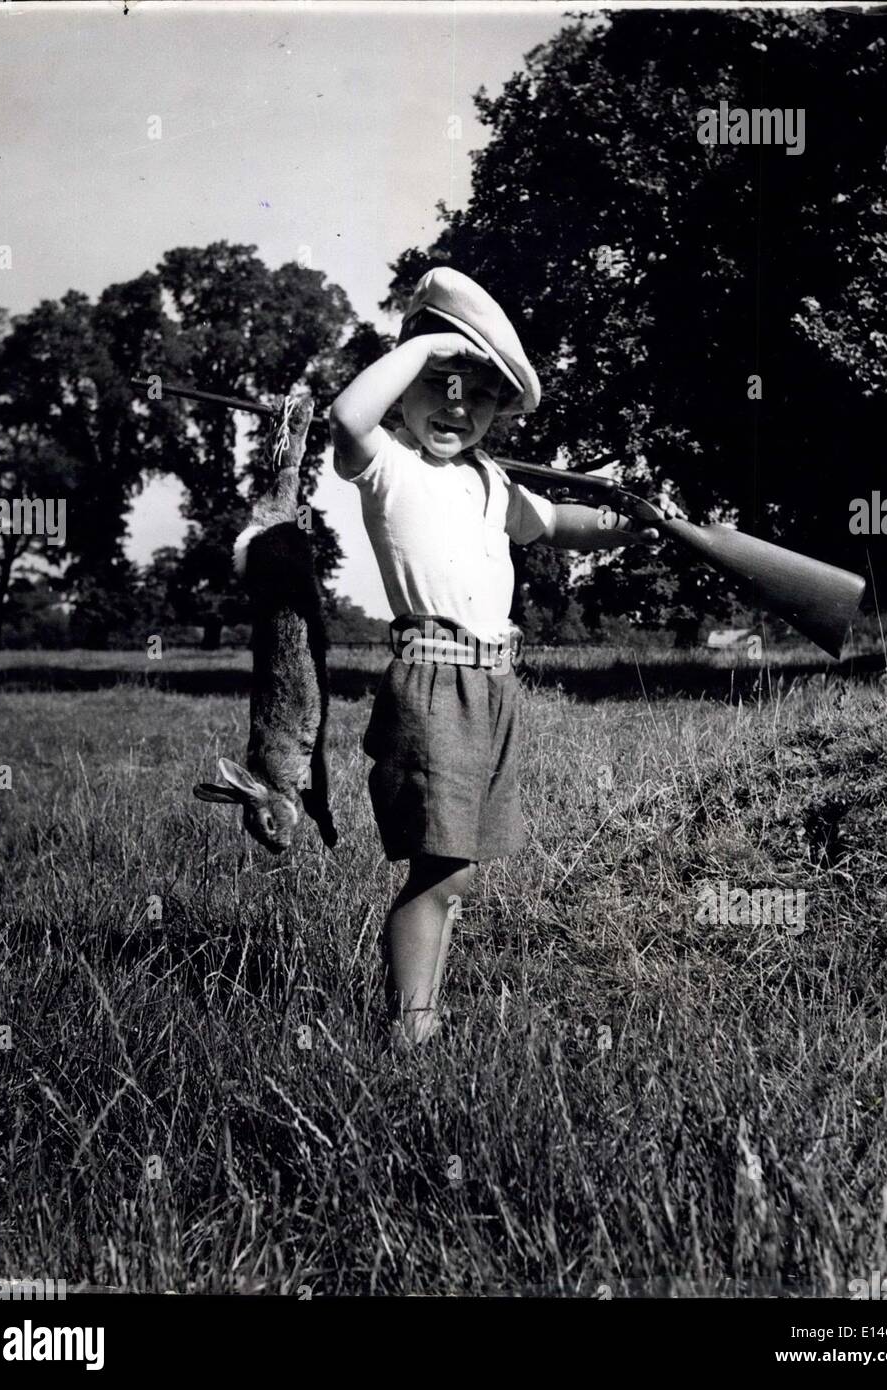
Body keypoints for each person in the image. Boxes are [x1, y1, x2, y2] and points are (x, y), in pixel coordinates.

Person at [329, 266, 674, 1046]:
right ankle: (409, 1027)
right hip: (434, 676)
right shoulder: (388, 465)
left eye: (477, 392)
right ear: (409, 381)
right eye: (438, 382)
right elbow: (347, 416)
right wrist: (430, 345)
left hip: (496, 683)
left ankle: (422, 1013)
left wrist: (632, 525)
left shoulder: (490, 481)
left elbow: (557, 523)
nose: (456, 405)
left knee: (462, 871)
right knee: (441, 867)